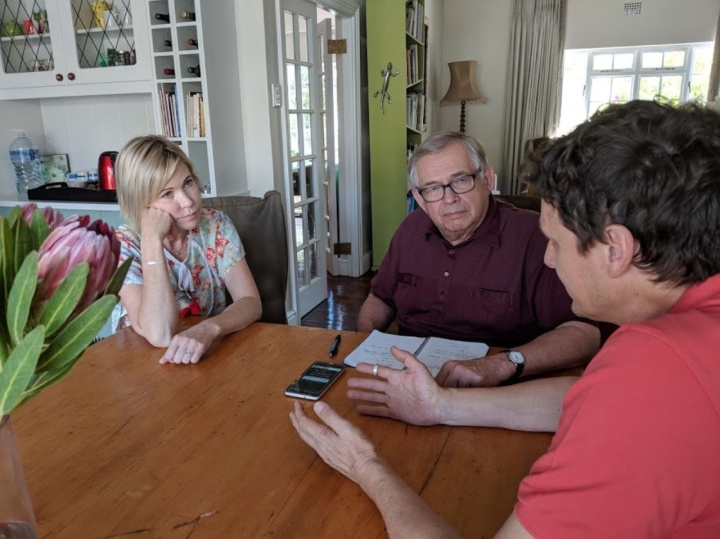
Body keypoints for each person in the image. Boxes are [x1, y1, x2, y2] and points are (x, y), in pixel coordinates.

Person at [291, 100, 720, 536]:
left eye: (556, 241)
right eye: (433, 189)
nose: (549, 258)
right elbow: (581, 396)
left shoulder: (657, 368)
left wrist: (365, 465)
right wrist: (440, 405)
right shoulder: (675, 344)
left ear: (616, 248)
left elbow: (615, 395)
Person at [358, 131, 599, 387]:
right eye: (433, 188)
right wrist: (362, 344)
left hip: (497, 387)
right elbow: (379, 298)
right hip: (409, 379)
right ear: (420, 198)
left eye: (461, 180)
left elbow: (584, 334)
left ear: (487, 178)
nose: (449, 199)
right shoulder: (410, 229)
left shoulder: (535, 238)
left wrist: (504, 363)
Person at [112, 135, 262, 364]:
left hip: (206, 356)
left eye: (188, 183)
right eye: (167, 194)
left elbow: (251, 301)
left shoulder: (214, 225)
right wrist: (152, 240)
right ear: (141, 203)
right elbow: (160, 334)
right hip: (144, 366)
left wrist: (209, 328)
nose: (188, 201)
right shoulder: (124, 244)